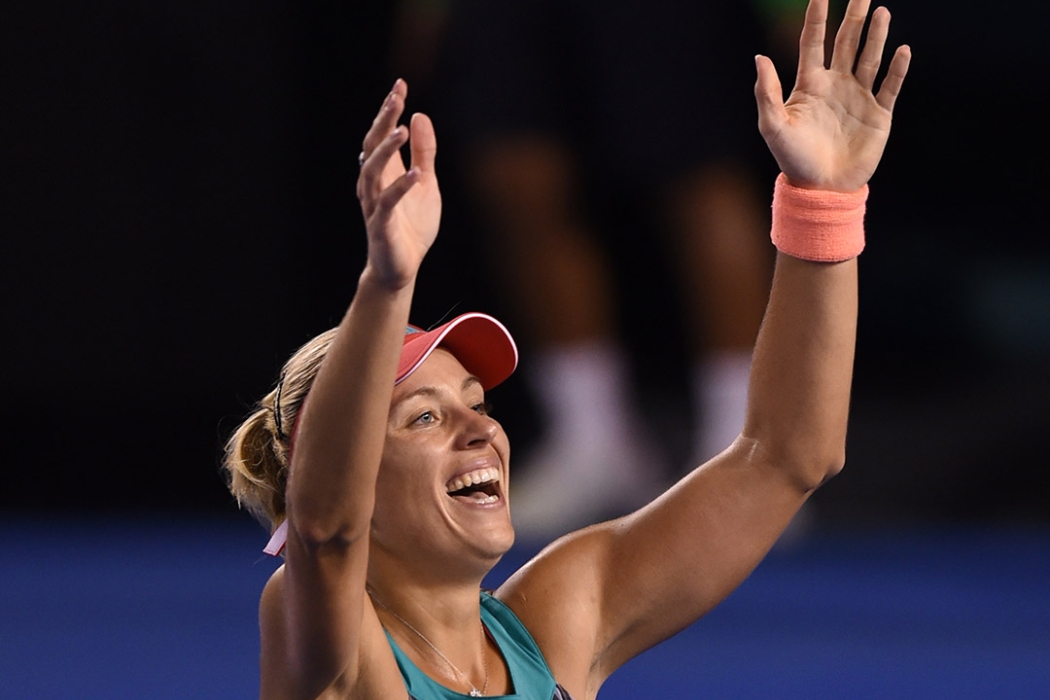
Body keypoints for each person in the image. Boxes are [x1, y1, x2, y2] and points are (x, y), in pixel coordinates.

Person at [222, 1, 910, 697]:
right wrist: (387, 283)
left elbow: (790, 455)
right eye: (424, 417)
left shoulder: (561, 615)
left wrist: (824, 202)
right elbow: (325, 529)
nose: (480, 431)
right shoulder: (328, 641)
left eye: (476, 405)